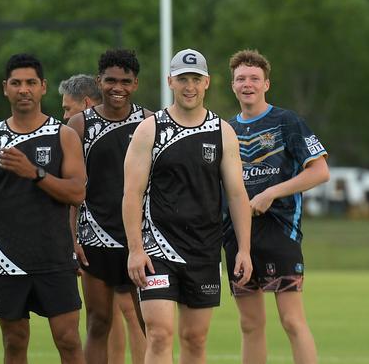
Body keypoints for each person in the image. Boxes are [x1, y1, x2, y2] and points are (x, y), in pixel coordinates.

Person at [123, 48, 253, 364]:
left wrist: (244, 250)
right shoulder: (150, 129)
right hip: (157, 248)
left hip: (204, 250)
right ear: (170, 81)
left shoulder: (223, 132)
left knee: (195, 340)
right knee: (159, 333)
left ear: (207, 82)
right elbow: (131, 194)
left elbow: (237, 195)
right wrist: (135, 249)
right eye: (183, 79)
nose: (189, 86)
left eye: (196, 79)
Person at [0, 53, 86, 364]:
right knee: (14, 341)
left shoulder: (63, 136)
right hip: (5, 259)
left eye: (30, 83)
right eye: (16, 83)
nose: (23, 89)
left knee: (68, 340)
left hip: (54, 256)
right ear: (5, 88)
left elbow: (77, 192)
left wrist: (35, 173)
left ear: (43, 87)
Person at [223, 49, 329, 364]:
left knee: (292, 321)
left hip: (279, 233)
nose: (247, 84)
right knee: (249, 324)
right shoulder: (225, 130)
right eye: (240, 78)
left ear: (266, 84)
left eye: (254, 78)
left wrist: (271, 193)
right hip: (236, 237)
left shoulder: (287, 121)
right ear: (232, 85)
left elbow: (320, 171)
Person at [66, 49, 151, 364]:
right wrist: (71, 238)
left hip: (140, 241)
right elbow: (73, 189)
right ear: (98, 81)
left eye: (125, 81)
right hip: (94, 240)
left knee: (152, 325)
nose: (118, 87)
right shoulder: (79, 124)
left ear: (135, 84)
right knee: (98, 323)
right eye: (111, 80)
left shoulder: (148, 121)